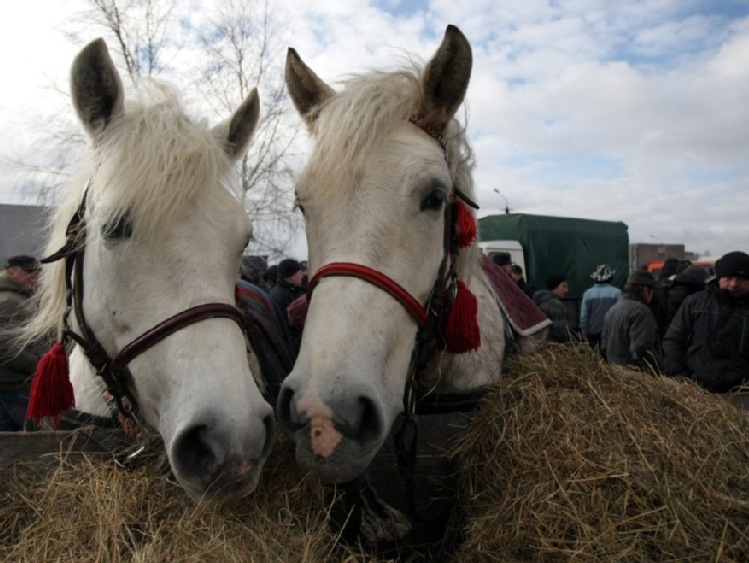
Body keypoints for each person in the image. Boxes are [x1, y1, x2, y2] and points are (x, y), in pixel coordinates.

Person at [663, 251, 749, 393]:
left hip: (742, 396)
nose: (734, 284)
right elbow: (673, 341)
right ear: (719, 278)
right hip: (697, 392)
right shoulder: (695, 303)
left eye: (741, 278)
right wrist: (681, 380)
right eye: (728, 277)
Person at [0, 255, 45, 431]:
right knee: (35, 438)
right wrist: (39, 366)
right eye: (28, 272)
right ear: (12, 272)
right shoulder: (9, 302)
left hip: (12, 384)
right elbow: (5, 346)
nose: (34, 277)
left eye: (36, 272)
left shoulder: (17, 298)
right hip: (14, 385)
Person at [600, 270, 661, 370]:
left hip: (615, 374)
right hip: (634, 377)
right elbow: (641, 348)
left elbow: (604, 346)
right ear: (646, 290)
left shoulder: (612, 309)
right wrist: (659, 369)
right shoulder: (641, 311)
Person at [580, 264, 622, 347]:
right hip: (611, 333)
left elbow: (584, 316)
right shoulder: (617, 293)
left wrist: (584, 333)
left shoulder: (588, 294)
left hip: (593, 333)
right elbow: (620, 314)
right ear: (611, 278)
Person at [270, 259, 305, 354]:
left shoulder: (296, 291)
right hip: (292, 351)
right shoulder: (279, 297)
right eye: (299, 273)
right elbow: (285, 329)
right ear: (291, 276)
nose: (302, 275)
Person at [532, 274, 571, 342]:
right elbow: (560, 332)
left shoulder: (537, 302)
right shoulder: (557, 306)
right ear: (555, 286)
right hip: (553, 346)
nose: (566, 290)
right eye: (564, 286)